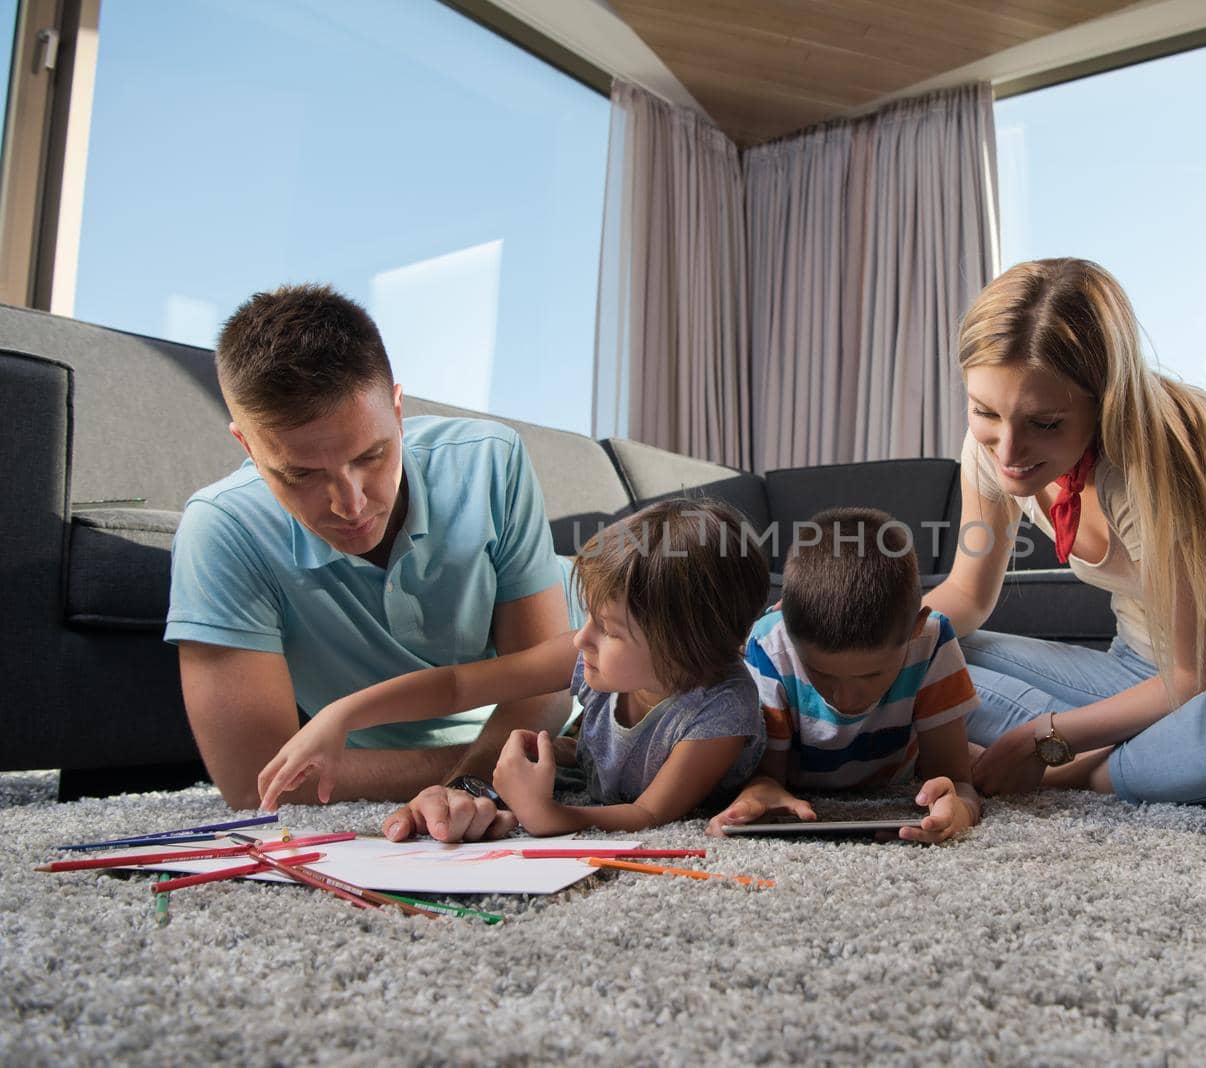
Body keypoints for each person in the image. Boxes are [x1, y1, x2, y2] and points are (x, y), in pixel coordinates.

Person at [923, 258, 1206, 804]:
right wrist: (853, 637)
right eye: (984, 412)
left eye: (1044, 423)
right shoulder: (992, 450)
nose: (1008, 451)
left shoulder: (1159, 458)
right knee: (926, 648)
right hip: (1132, 675)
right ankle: (1142, 756)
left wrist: (1043, 740)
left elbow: (1205, 671)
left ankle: (1080, 772)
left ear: (1105, 398)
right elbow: (965, 595)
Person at [166, 283, 577, 841]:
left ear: (399, 410)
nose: (351, 504)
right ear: (247, 446)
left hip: (596, 636)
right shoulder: (222, 529)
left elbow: (543, 684)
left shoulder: (491, 460)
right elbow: (255, 783)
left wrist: (474, 780)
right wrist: (505, 765)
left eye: (371, 455)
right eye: (301, 474)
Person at [257, 499, 772, 835]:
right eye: (589, 617)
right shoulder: (591, 655)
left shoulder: (719, 714)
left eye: (609, 630)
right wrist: (342, 715)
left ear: (685, 647)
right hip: (599, 766)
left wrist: (548, 815)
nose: (581, 637)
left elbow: (648, 814)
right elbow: (459, 686)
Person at [710, 507, 982, 844]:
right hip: (803, 785)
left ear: (916, 628)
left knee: (990, 760)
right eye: (821, 674)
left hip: (894, 778)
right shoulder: (769, 646)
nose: (846, 699)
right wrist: (759, 793)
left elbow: (957, 781)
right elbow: (767, 776)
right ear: (789, 633)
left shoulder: (933, 640)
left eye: (871, 675)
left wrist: (961, 809)